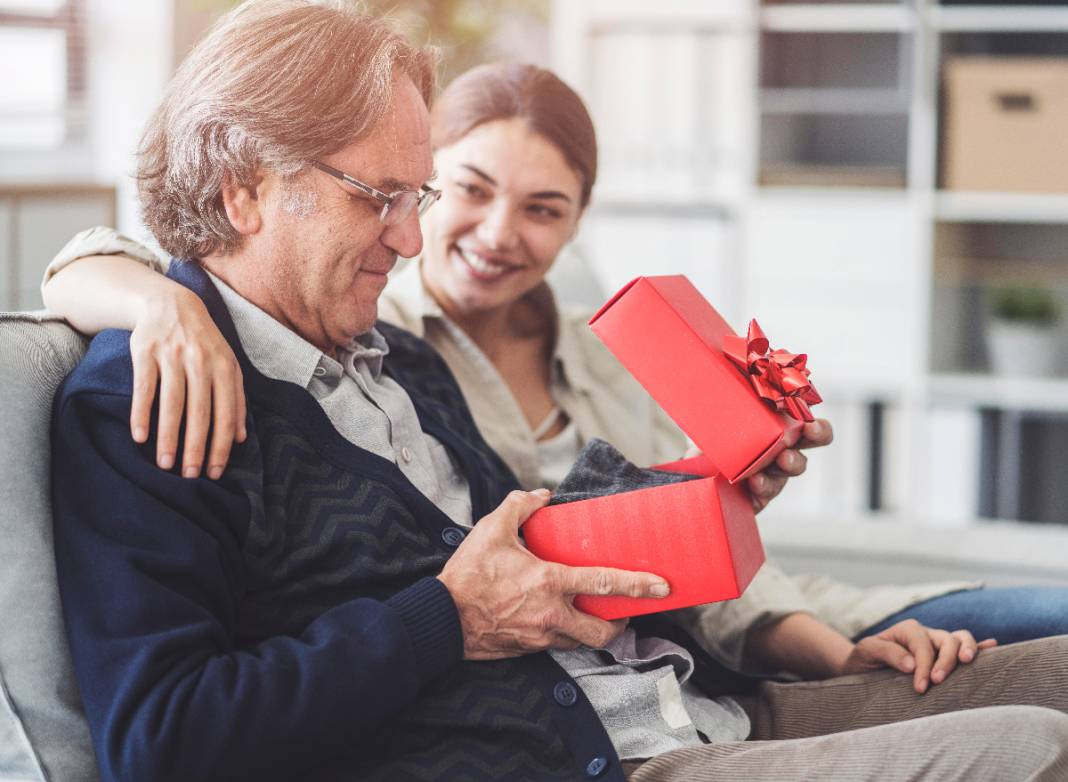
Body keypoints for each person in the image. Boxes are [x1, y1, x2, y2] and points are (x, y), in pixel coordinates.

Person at [47, 3, 1068, 781]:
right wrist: (448, 616)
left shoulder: (399, 362)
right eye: (382, 198)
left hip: (694, 694)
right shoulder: (159, 396)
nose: (410, 240)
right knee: (1029, 747)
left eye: (415, 199)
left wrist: (699, 495)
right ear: (247, 189)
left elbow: (540, 550)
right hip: (597, 753)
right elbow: (161, 732)